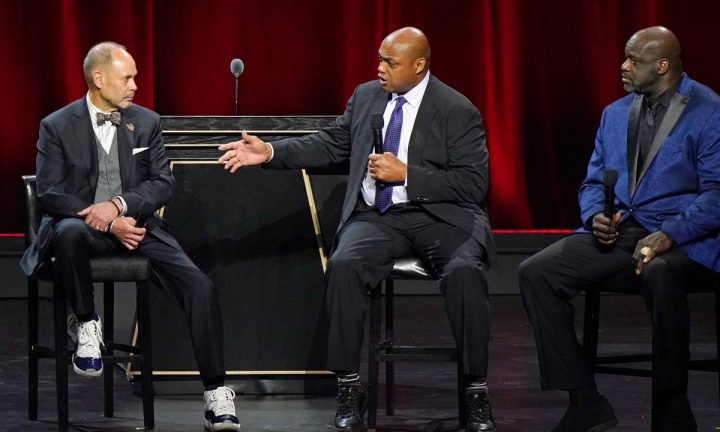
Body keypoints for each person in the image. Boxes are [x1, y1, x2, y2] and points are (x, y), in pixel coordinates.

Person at [219, 27, 497, 432]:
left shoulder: (457, 109)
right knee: (345, 264)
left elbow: (474, 184)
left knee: (465, 274)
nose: (380, 68)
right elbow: (332, 144)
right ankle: (350, 387)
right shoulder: (367, 96)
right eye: (380, 58)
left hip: (440, 215)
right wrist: (271, 152)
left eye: (391, 62)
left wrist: (408, 175)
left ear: (419, 66)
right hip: (377, 216)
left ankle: (476, 389)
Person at [518, 26, 720, 432]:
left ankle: (673, 414)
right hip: (626, 234)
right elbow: (591, 183)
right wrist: (594, 218)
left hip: (691, 241)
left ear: (662, 65)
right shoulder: (616, 113)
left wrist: (670, 233)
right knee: (537, 272)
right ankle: (585, 400)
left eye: (633, 61)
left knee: (661, 271)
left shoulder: (713, 113)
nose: (622, 67)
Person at [20, 42, 240, 431]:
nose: (136, 85)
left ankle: (216, 393)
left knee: (200, 287)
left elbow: (162, 183)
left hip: (135, 225)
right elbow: (51, 191)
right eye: (128, 77)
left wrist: (120, 206)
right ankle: (87, 325)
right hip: (81, 227)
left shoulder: (147, 122)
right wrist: (102, 219)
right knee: (68, 234)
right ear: (99, 78)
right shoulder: (56, 125)